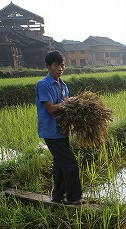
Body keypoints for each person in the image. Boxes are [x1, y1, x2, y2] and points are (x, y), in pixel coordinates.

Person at [35, 50, 85, 205]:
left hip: (62, 130)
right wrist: (69, 103)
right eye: (56, 65)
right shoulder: (43, 84)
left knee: (59, 163)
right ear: (48, 66)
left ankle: (57, 196)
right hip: (51, 131)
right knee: (70, 162)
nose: (60, 69)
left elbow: (65, 109)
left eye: (62, 65)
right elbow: (51, 109)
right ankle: (74, 197)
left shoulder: (63, 85)